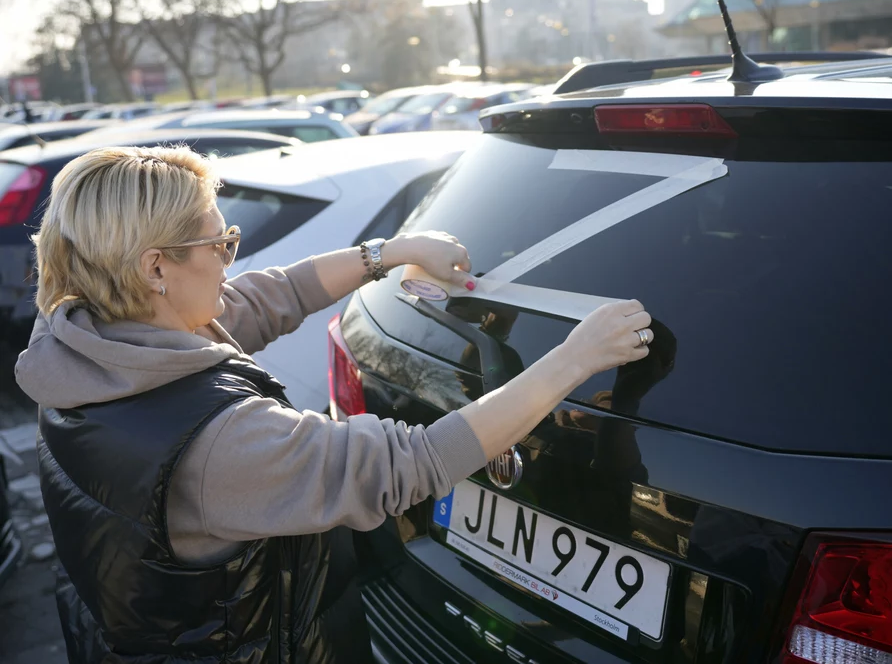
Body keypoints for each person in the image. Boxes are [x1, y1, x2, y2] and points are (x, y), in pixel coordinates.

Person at [15, 146, 654, 664]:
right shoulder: (221, 442)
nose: (230, 264)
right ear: (156, 268)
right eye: (221, 247)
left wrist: (390, 254)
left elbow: (268, 298)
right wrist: (575, 358)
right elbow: (417, 460)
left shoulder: (84, 344)